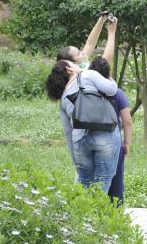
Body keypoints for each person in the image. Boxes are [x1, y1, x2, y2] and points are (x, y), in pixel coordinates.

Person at [45, 60, 121, 192]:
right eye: (73, 63)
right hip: (105, 133)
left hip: (80, 141)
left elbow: (68, 132)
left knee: (84, 180)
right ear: (69, 69)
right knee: (103, 178)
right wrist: (108, 76)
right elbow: (112, 90)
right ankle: (97, 212)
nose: (77, 65)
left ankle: (83, 211)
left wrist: (76, 161)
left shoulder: (63, 98)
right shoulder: (87, 74)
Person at [89, 57, 132, 206]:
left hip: (90, 141)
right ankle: (115, 216)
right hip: (113, 143)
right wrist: (127, 142)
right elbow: (127, 120)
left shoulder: (87, 93)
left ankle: (91, 210)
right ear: (109, 72)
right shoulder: (117, 92)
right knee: (115, 179)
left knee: (92, 178)